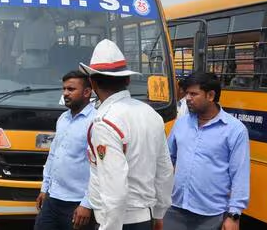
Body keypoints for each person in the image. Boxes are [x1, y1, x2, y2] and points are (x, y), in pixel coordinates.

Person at [79, 39, 174, 230]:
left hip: (118, 222)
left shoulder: (104, 122)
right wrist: (158, 214)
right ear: (128, 80)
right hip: (145, 217)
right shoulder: (151, 114)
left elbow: (115, 189)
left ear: (92, 82)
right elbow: (164, 170)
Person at [164, 72, 250, 230]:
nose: (187, 98)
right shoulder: (181, 124)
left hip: (211, 215)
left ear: (210, 95)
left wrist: (234, 215)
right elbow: (167, 160)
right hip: (175, 209)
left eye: (193, 94)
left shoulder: (235, 130)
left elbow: (240, 175)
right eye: (187, 93)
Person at [34, 71, 97, 230]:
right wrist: (44, 188)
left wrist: (86, 204)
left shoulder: (96, 121)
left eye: (71, 89)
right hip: (52, 199)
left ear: (87, 92)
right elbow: (53, 155)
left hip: (77, 205)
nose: (65, 93)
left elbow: (99, 168)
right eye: (64, 89)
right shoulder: (63, 118)